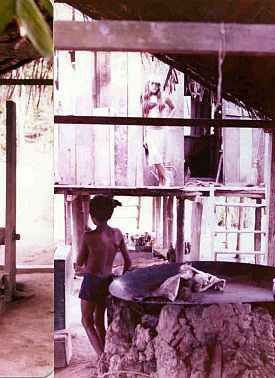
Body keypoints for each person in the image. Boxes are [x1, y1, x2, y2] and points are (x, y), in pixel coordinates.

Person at [74, 195, 132, 360]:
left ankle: (101, 358)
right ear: (109, 214)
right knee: (99, 321)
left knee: (86, 320)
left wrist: (83, 266)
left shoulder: (88, 236)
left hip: (92, 281)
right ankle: (107, 353)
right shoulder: (117, 234)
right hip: (108, 281)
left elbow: (79, 264)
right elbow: (128, 262)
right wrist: (120, 279)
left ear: (92, 216)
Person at [142, 77, 175, 186]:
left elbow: (173, 108)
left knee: (159, 158)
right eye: (153, 84)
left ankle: (162, 183)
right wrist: (144, 137)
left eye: (157, 84)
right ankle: (167, 175)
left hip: (161, 132)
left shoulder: (164, 97)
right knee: (154, 156)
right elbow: (144, 118)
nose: (154, 86)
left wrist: (168, 120)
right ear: (149, 84)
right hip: (150, 132)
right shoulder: (145, 98)